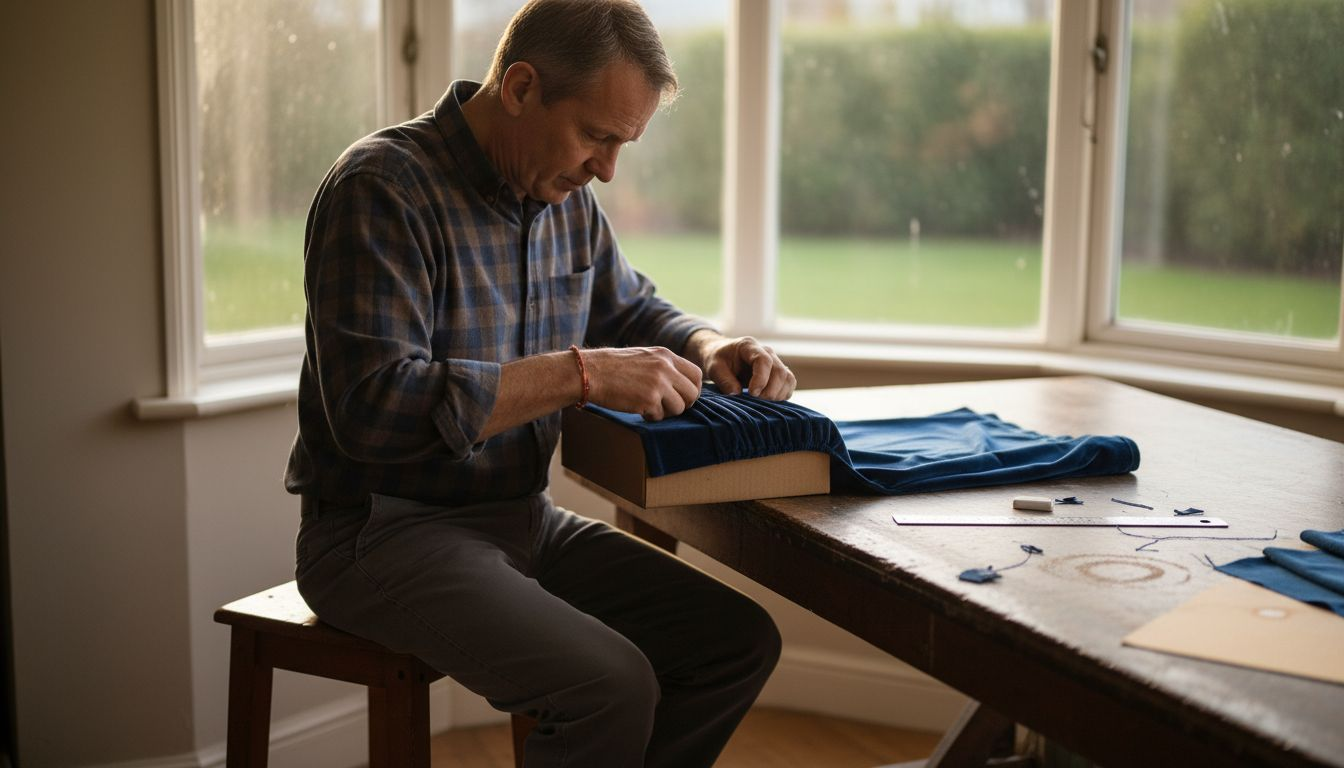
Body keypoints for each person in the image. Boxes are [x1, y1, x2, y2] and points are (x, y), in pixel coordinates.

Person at [285, 1, 796, 764]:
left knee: (736, 642)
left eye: (622, 145)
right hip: (377, 534)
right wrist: (580, 374)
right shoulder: (381, 186)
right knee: (611, 686)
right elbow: (374, 411)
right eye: (596, 136)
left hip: (522, 520)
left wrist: (709, 343)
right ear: (521, 88)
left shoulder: (568, 202)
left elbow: (631, 309)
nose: (607, 169)